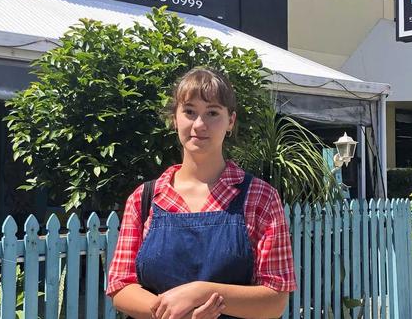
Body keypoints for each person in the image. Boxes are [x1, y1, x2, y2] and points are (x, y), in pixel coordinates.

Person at [107, 67, 296, 319]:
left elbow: (275, 300)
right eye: (189, 111)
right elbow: (121, 285)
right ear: (175, 118)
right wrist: (176, 315)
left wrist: (200, 292)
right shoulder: (144, 198)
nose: (199, 124)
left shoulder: (261, 198)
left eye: (212, 113)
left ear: (231, 121)